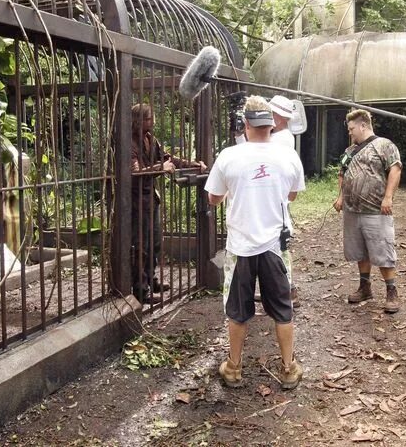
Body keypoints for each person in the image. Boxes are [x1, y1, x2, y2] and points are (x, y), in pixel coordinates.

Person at [205, 95, 306, 389]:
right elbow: (292, 195)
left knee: (237, 311)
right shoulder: (289, 156)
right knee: (282, 310)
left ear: (246, 123)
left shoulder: (228, 156)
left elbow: (212, 198)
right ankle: (288, 368)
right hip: (276, 246)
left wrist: (232, 193)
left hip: (241, 247)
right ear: (271, 125)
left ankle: (234, 368)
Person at [131, 103, 206, 303]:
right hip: (135, 200)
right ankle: (140, 289)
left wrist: (194, 165)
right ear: (138, 121)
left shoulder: (149, 138)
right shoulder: (129, 142)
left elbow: (169, 159)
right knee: (141, 245)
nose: (152, 122)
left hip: (150, 198)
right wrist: (160, 167)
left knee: (154, 242)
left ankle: (151, 279)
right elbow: (134, 172)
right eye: (148, 119)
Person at [333, 109, 402, 313]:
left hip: (375, 210)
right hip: (352, 210)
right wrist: (340, 197)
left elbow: (395, 169)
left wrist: (388, 197)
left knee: (382, 250)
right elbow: (342, 174)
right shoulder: (349, 151)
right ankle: (365, 287)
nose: (350, 133)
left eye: (352, 128)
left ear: (363, 125)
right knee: (360, 250)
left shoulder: (384, 145)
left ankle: (391, 291)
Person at [269, 95, 300, 306]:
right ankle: (282, 288)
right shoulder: (280, 136)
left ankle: (288, 289)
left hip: (276, 201)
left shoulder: (281, 139)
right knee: (276, 247)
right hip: (276, 199)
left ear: (279, 117)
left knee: (279, 248)